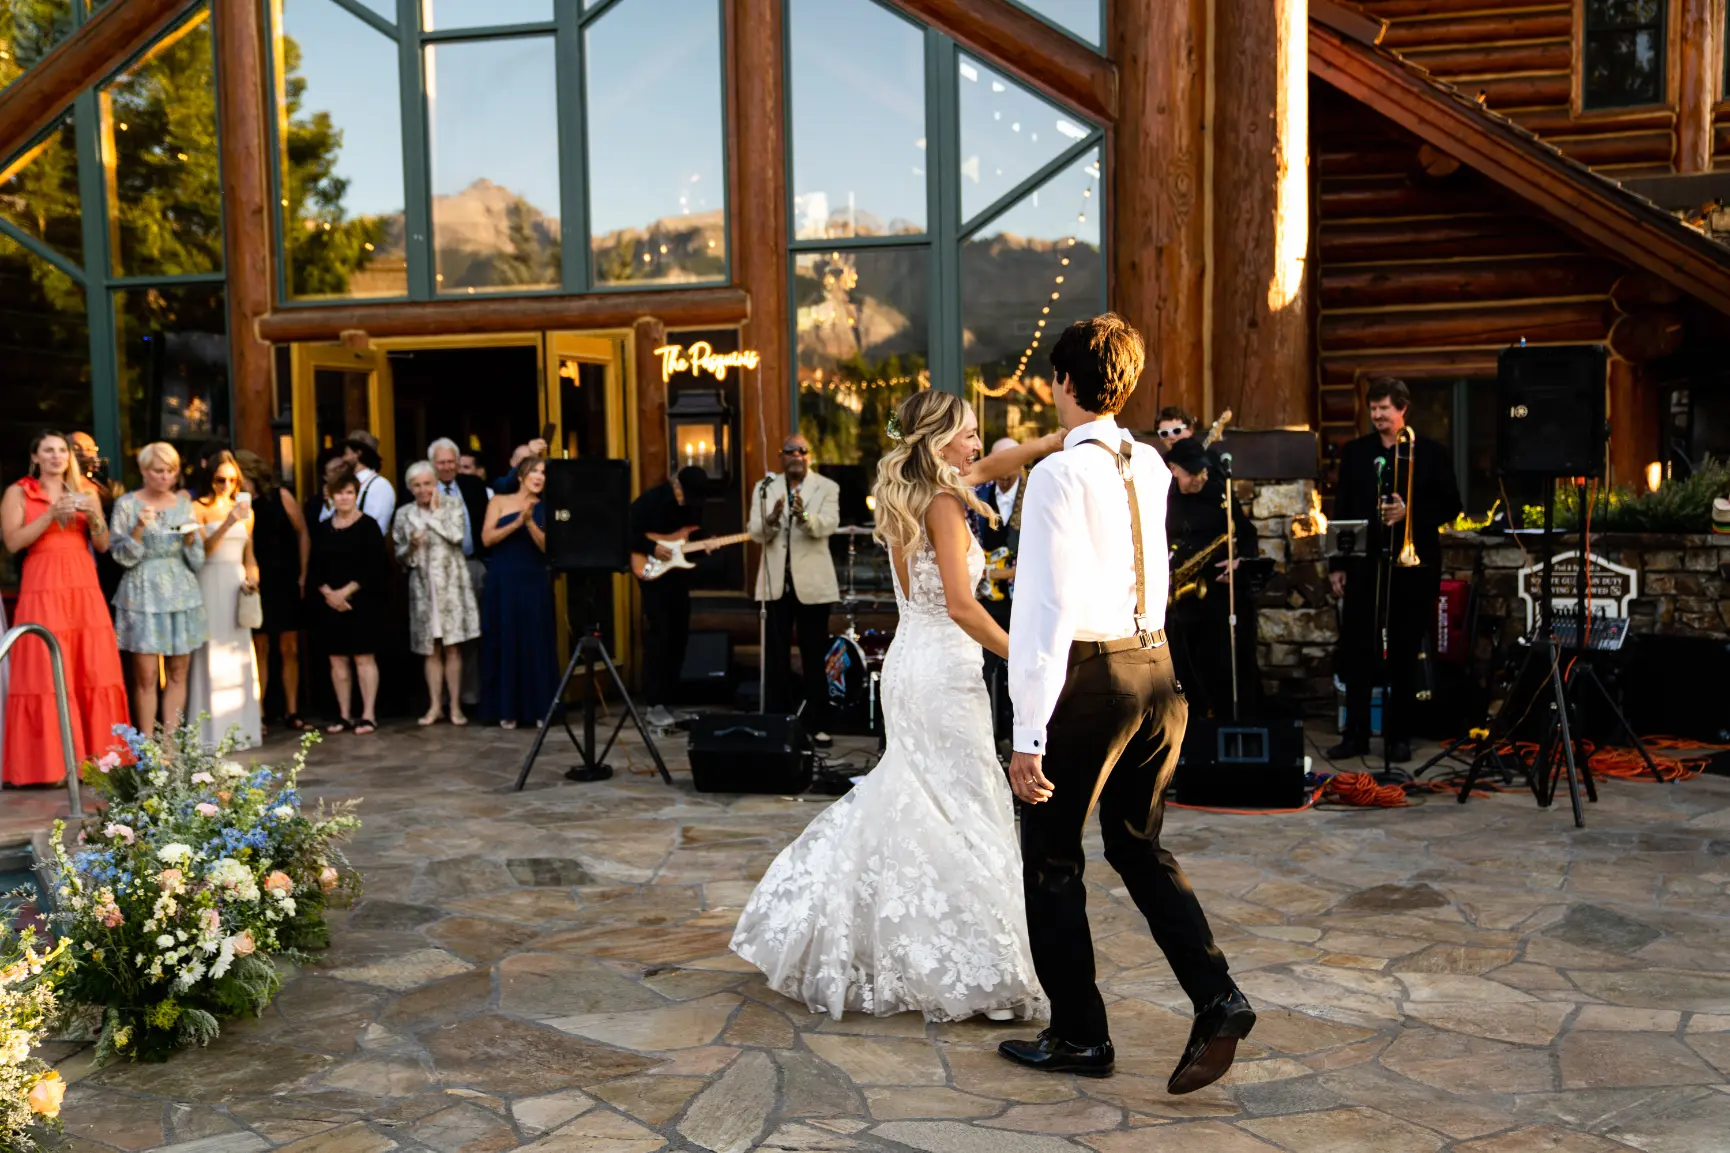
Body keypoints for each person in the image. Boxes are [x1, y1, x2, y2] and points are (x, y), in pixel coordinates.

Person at [731, 391, 1064, 1021]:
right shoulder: (943, 502)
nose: (977, 444)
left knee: (924, 797)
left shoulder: (913, 490)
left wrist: (1048, 443)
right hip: (942, 673)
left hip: (914, 664)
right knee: (959, 806)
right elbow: (962, 606)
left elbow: (993, 467)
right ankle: (973, 967)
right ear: (938, 442)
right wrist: (1028, 658)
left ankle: (913, 946)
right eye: (968, 433)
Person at [999, 313, 1252, 1093]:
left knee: (1051, 856)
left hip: (1094, 678)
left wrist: (1027, 732)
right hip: (1158, 670)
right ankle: (1218, 995)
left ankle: (1080, 1034)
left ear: (1062, 382)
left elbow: (1044, 609)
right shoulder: (1148, 463)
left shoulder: (1058, 475)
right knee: (1138, 846)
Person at [1326, 376, 1462, 764]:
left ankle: (1398, 736)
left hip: (1413, 566)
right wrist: (1337, 564)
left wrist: (1409, 513)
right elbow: (1343, 507)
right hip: (1364, 564)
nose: (1378, 416)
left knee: (1404, 651)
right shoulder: (1357, 452)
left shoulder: (1431, 453)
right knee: (1357, 648)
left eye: (1384, 408)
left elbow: (1451, 505)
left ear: (1403, 408)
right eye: (1373, 409)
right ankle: (1355, 733)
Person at [1, 431, 129, 784]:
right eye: (49, 450)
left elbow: (102, 544)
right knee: (44, 667)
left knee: (91, 667)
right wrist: (49, 516)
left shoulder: (86, 491)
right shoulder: (19, 492)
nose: (56, 456)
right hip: (42, 583)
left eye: (62, 450)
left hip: (83, 584)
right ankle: (50, 766)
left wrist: (94, 516)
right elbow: (12, 542)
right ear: (35, 456)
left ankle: (100, 761)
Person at [110, 442, 209, 736]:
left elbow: (198, 560)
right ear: (144, 470)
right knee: (146, 675)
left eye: (170, 471)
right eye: (158, 470)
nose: (165, 476)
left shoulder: (184, 505)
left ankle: (170, 746)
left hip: (181, 592)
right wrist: (138, 528)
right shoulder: (127, 504)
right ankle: (147, 746)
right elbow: (121, 557)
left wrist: (191, 542)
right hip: (142, 593)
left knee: (178, 672)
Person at [747, 435, 840, 743]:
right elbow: (755, 533)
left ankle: (818, 724)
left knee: (814, 655)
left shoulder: (827, 487)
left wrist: (803, 517)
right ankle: (778, 723)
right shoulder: (765, 488)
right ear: (781, 456)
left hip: (812, 586)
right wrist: (772, 519)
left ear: (809, 456)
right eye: (790, 451)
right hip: (776, 586)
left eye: (802, 451)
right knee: (775, 657)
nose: (796, 455)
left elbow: (828, 525)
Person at [1164, 437, 1262, 722]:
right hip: (1177, 596)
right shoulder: (1162, 497)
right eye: (1193, 473)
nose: (1200, 478)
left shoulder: (1219, 493)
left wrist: (1239, 561)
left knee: (1217, 662)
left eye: (1203, 471)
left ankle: (1220, 721)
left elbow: (1247, 532)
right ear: (1174, 470)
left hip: (1215, 591)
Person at [187, 451, 263, 749]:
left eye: (233, 480)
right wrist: (228, 522)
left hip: (236, 582)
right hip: (209, 581)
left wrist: (253, 578)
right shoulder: (198, 508)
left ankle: (241, 730)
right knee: (211, 651)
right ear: (211, 479)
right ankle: (209, 733)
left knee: (238, 653)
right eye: (221, 479)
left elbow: (250, 554)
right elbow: (201, 552)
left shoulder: (246, 511)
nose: (227, 486)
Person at [395, 460, 480, 726]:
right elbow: (398, 555)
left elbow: (458, 536)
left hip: (451, 586)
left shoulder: (452, 505)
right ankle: (434, 706)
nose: (423, 490)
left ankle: (455, 706)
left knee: (453, 647)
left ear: (436, 484)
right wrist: (410, 545)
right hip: (423, 588)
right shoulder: (404, 513)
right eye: (417, 485)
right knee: (430, 649)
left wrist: (433, 516)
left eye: (427, 484)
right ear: (410, 488)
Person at [306, 466, 390, 735]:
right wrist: (329, 594)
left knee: (364, 659)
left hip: (362, 602)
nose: (344, 497)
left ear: (356, 494)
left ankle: (368, 715)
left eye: (349, 492)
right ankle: (343, 714)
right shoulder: (322, 529)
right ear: (331, 496)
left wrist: (346, 592)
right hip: (330, 604)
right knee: (337, 661)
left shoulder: (368, 526)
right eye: (339, 493)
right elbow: (314, 567)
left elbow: (376, 566)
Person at [235, 450, 310, 730]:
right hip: (256, 580)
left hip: (285, 578)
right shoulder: (238, 504)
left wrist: (303, 574)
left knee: (290, 647)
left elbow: (302, 532)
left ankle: (292, 711)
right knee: (260, 647)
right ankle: (260, 713)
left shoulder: (281, 496)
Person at [480, 456, 556, 729]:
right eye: (534, 471)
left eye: (544, 473)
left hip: (534, 579)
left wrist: (531, 523)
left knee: (536, 640)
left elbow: (549, 549)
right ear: (521, 475)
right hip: (503, 579)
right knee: (505, 637)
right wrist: (515, 523)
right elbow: (487, 539)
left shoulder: (548, 508)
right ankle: (506, 708)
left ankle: (540, 708)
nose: (539, 477)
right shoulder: (498, 501)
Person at [630, 466, 709, 729]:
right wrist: (652, 547)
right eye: (685, 495)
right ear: (677, 486)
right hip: (653, 575)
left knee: (679, 636)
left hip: (678, 578)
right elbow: (624, 532)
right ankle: (654, 703)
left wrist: (705, 547)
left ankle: (669, 700)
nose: (687, 501)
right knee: (660, 635)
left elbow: (689, 543)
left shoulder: (693, 506)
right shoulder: (650, 501)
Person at [971, 437, 1027, 744]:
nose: (1004, 470)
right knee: (981, 670)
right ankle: (985, 739)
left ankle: (1019, 740)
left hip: (1024, 602)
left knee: (1022, 673)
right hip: (984, 601)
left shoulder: (1035, 493)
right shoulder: (976, 494)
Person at [428, 438, 491, 712]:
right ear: (432, 464)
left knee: (472, 634)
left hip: (471, 566)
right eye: (440, 462)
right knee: (440, 637)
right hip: (437, 572)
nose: (446, 467)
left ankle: (470, 696)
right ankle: (441, 699)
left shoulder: (473, 486)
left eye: (450, 461)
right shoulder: (423, 487)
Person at [70, 431, 126, 611]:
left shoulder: (111, 487)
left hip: (106, 565)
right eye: (76, 449)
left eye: (89, 448)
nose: (84, 454)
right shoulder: (56, 489)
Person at [323, 430, 395, 532]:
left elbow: (374, 529)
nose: (343, 458)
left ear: (358, 453)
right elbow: (325, 522)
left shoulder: (380, 486)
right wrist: (329, 502)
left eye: (346, 452)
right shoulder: (342, 482)